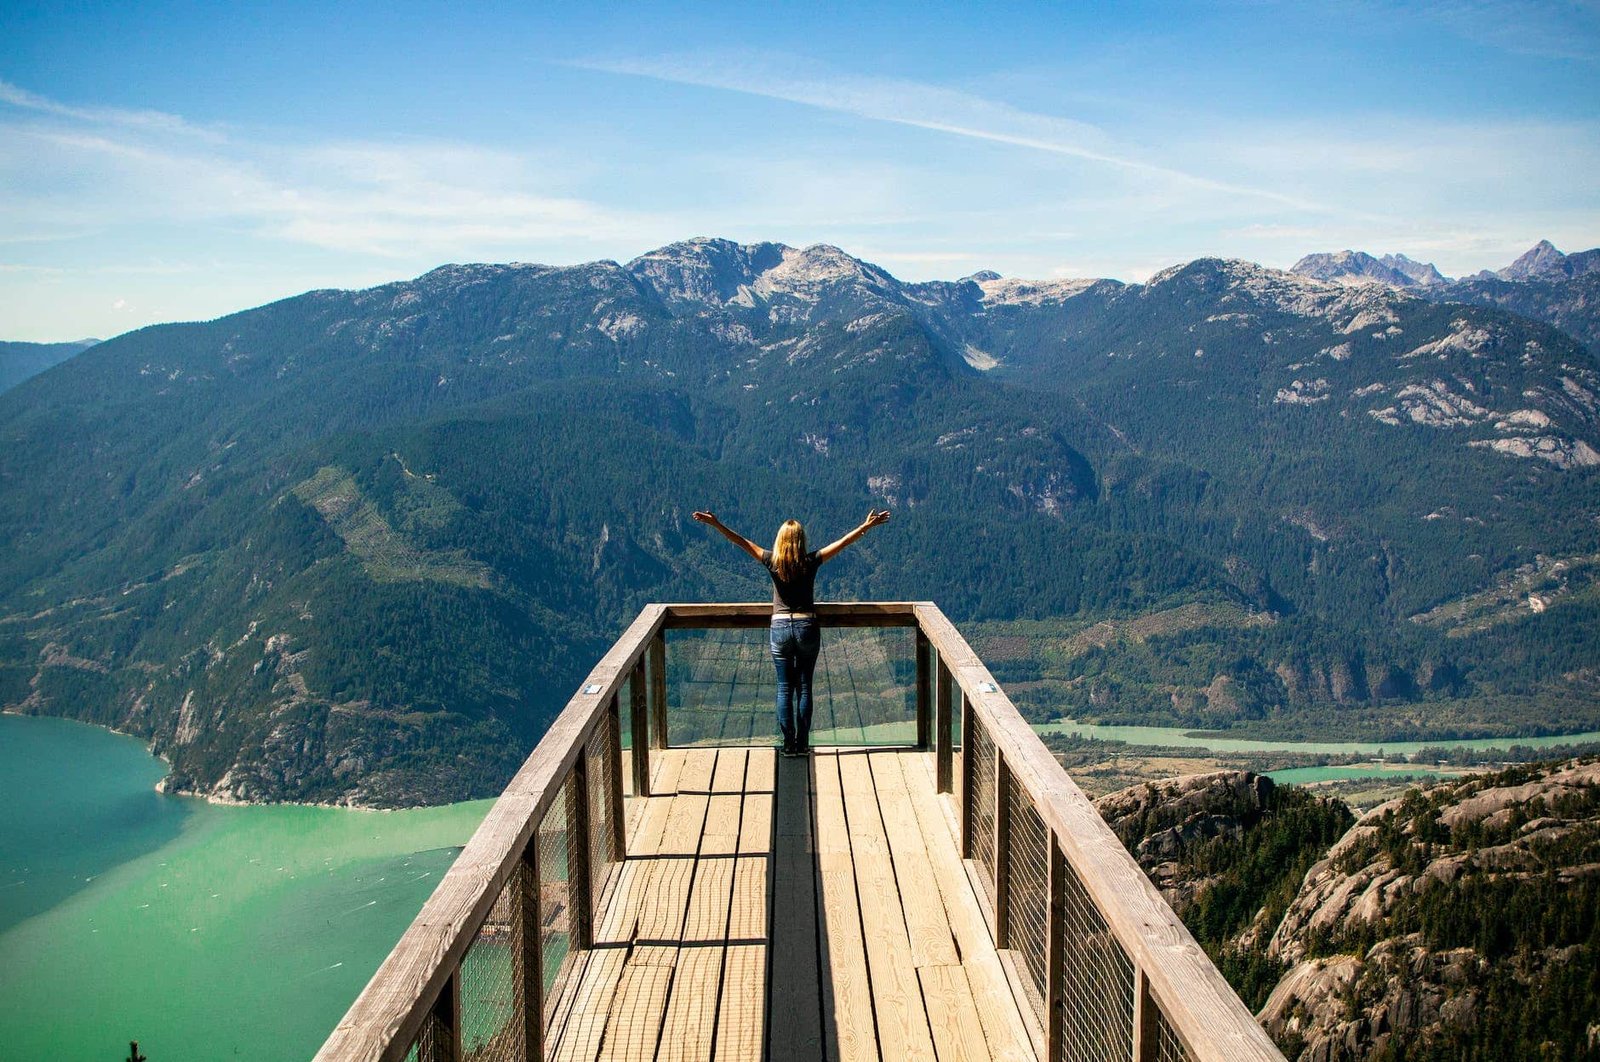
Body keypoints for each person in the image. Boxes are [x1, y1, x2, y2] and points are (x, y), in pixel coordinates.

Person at [692, 509, 892, 757]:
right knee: (805, 687)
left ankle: (788, 745)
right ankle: (803, 743)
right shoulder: (811, 561)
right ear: (801, 540)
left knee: (784, 688)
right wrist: (865, 526)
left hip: (779, 629)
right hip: (807, 626)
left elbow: (741, 541)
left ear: (780, 540)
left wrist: (716, 524)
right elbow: (843, 543)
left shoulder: (771, 561)